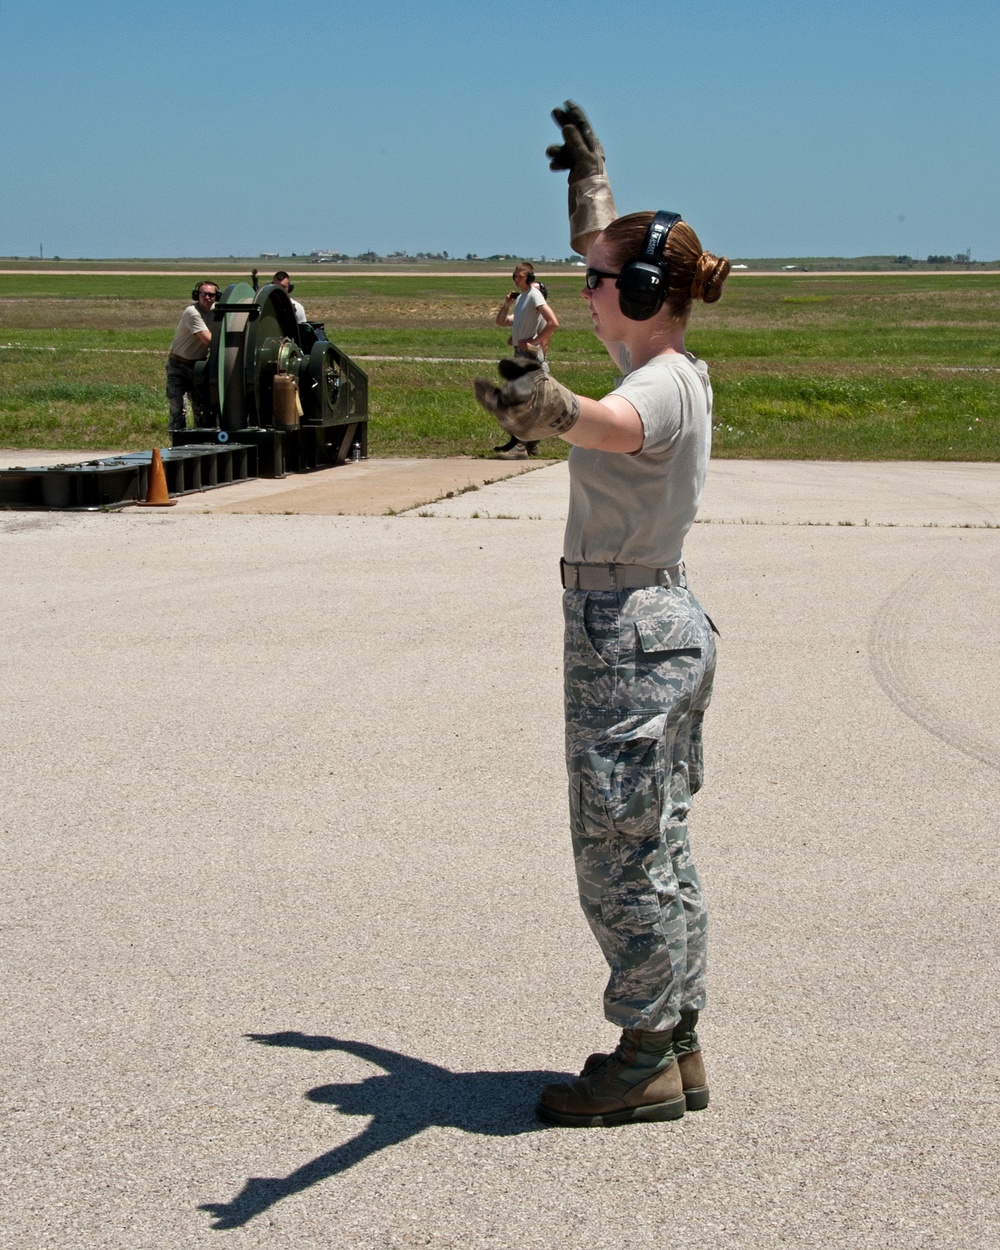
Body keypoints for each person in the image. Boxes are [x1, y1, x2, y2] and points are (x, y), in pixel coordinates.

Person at [473, 100, 730, 1128]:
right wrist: (590, 177)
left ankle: (642, 1054)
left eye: (595, 281)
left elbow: (615, 426)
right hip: (648, 620)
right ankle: (677, 1038)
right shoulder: (656, 354)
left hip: (627, 631)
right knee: (654, 837)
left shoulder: (659, 386)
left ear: (640, 293)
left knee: (616, 852)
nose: (579, 289)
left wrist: (551, 410)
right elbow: (606, 247)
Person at [491, 262, 559, 459]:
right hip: (521, 356)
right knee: (528, 402)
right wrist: (506, 304)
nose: (516, 279)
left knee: (522, 403)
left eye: (520, 276)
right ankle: (531, 444)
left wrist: (531, 341)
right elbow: (501, 322)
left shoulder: (534, 296)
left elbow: (553, 324)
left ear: (529, 278)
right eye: (515, 275)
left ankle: (521, 446)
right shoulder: (523, 299)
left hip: (530, 358)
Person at [166, 281, 218, 432]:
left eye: (211, 295)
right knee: (178, 409)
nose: (208, 298)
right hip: (178, 366)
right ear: (197, 295)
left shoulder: (217, 311)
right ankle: (176, 443)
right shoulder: (192, 312)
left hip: (199, 366)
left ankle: (199, 443)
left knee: (201, 409)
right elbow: (208, 339)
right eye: (204, 294)